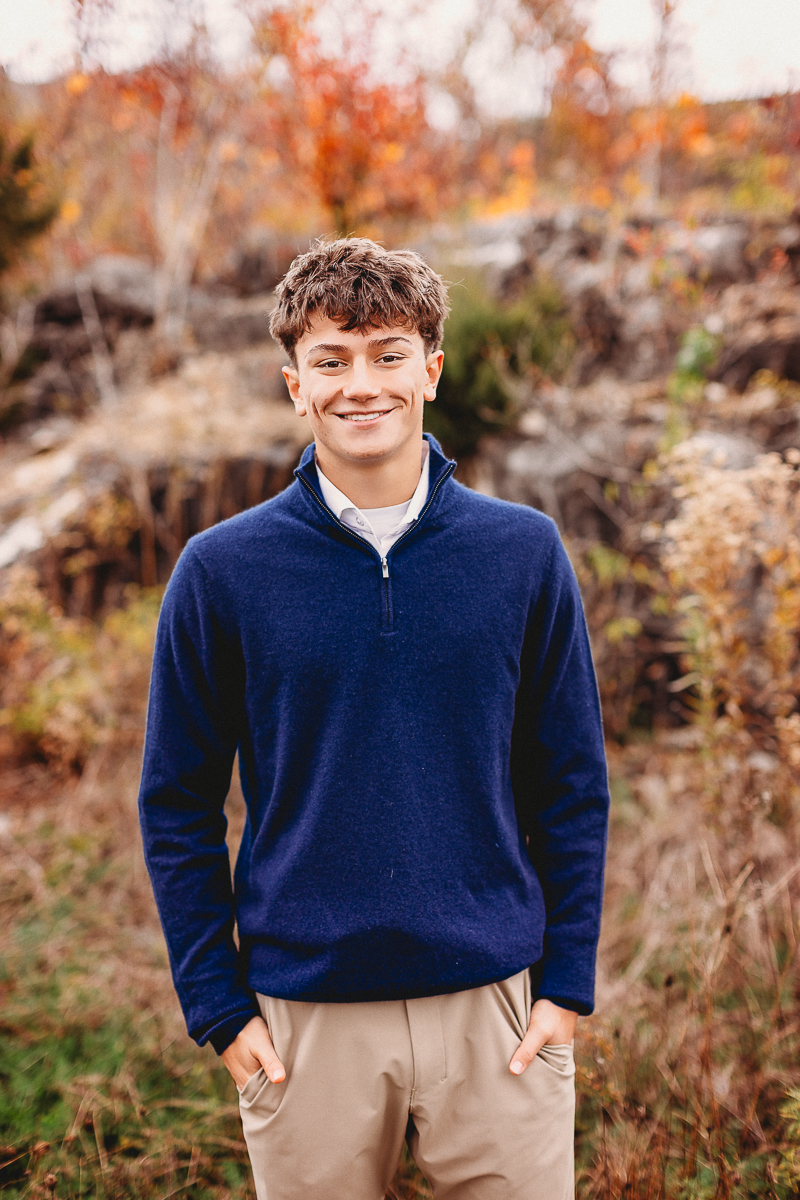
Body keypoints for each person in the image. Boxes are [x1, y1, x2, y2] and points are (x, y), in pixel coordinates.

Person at [138, 237, 609, 1200]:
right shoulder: (221, 572)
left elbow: (570, 783)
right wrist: (218, 1007)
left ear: (430, 371)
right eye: (332, 360)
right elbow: (176, 804)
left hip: (498, 1011)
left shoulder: (522, 553)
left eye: (388, 355)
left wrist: (566, 984)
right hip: (304, 1021)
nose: (362, 385)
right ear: (295, 385)